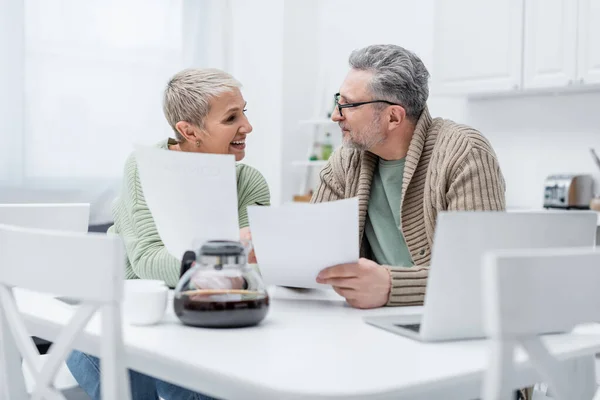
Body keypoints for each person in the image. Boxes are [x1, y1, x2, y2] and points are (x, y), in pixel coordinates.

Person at [67, 68, 270, 400]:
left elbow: (260, 270)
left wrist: (222, 270)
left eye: (244, 111)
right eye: (232, 117)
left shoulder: (249, 182)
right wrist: (225, 265)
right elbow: (147, 261)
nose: (247, 126)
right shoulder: (145, 166)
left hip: (203, 323)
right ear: (188, 130)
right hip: (132, 317)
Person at [313, 44, 506, 310]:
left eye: (349, 105)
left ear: (393, 116)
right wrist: (271, 252)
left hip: (447, 321)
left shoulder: (464, 152)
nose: (336, 115)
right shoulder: (346, 160)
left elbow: (481, 272)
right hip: (365, 322)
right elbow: (314, 256)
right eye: (338, 101)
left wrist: (392, 286)